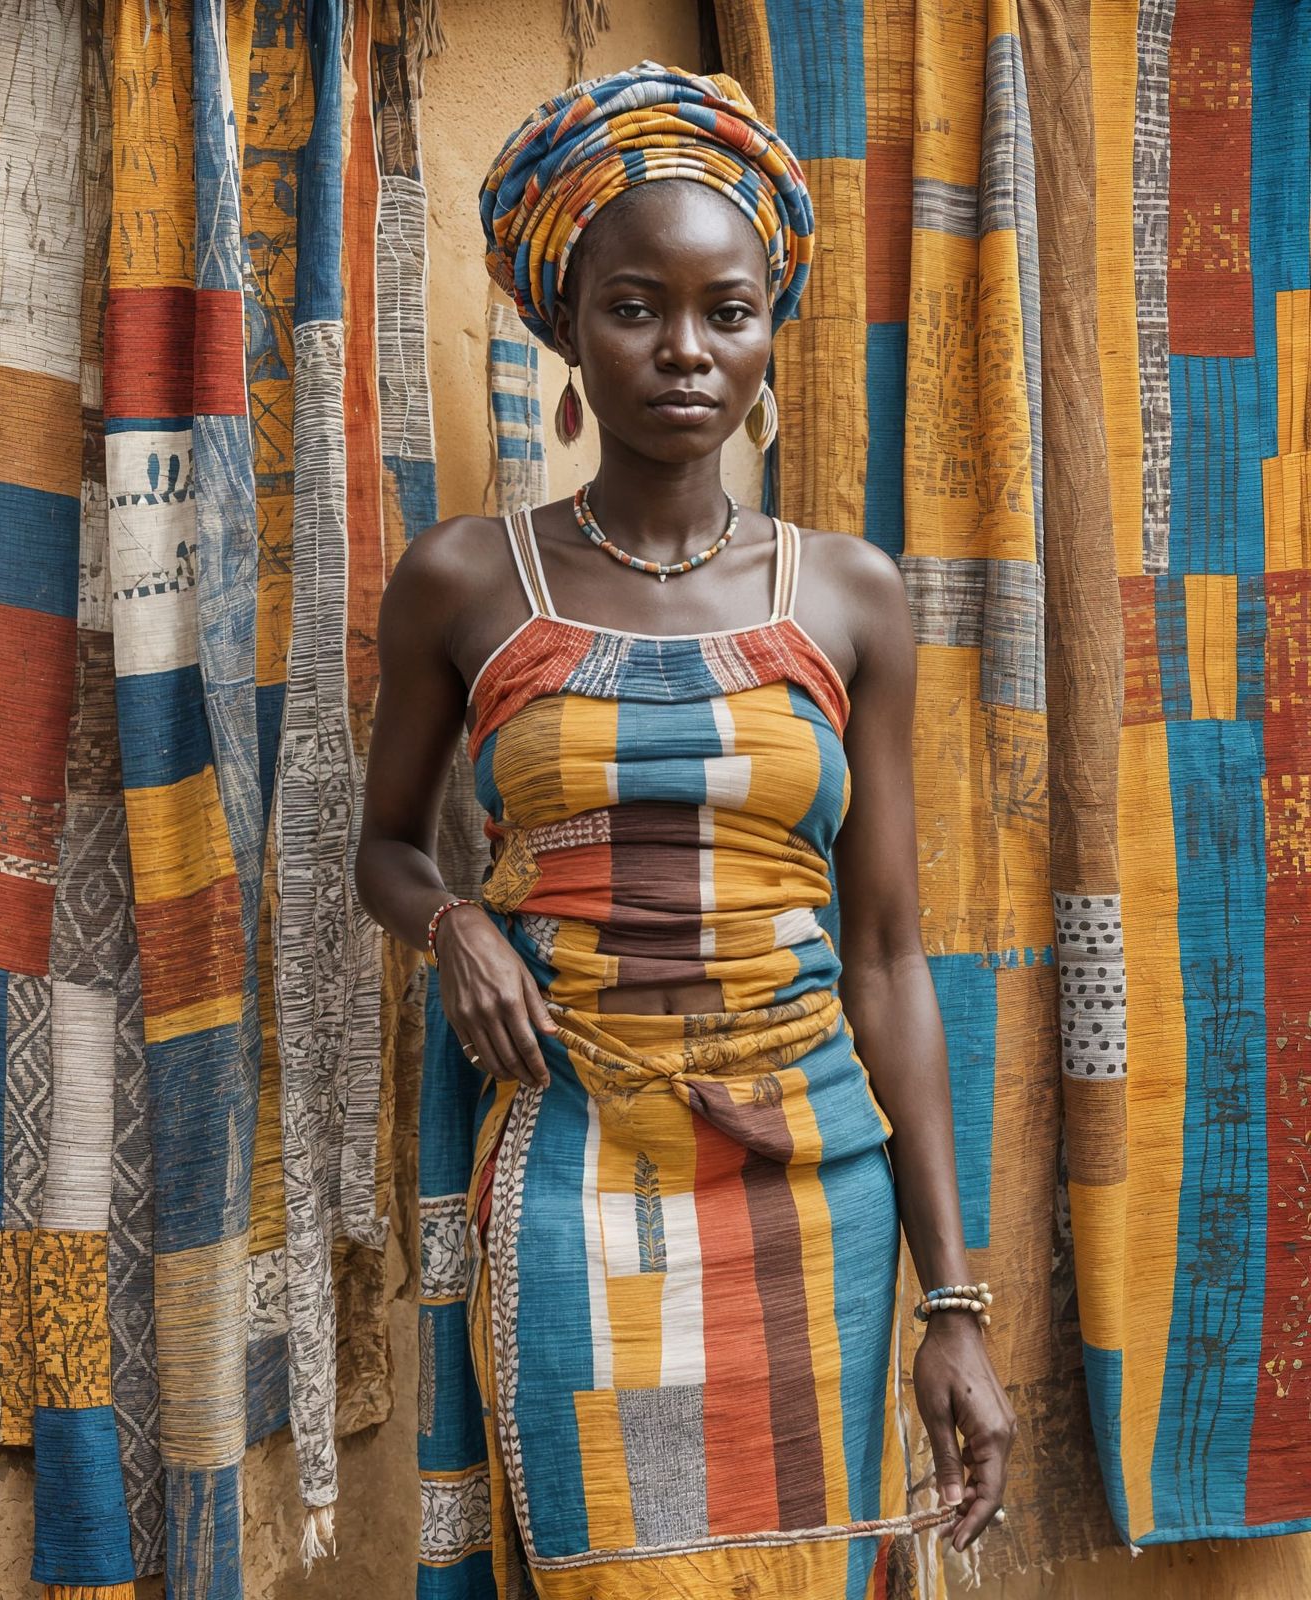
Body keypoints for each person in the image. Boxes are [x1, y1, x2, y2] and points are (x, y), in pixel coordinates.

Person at [355, 60, 1015, 1600]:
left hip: (812, 1180)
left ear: (769, 329)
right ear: (566, 328)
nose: (685, 351)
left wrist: (955, 1304)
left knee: (807, 1569)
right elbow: (387, 843)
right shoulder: (467, 580)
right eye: (636, 306)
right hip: (579, 1156)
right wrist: (451, 920)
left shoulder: (846, 597)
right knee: (613, 1565)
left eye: (727, 311)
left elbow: (890, 954)